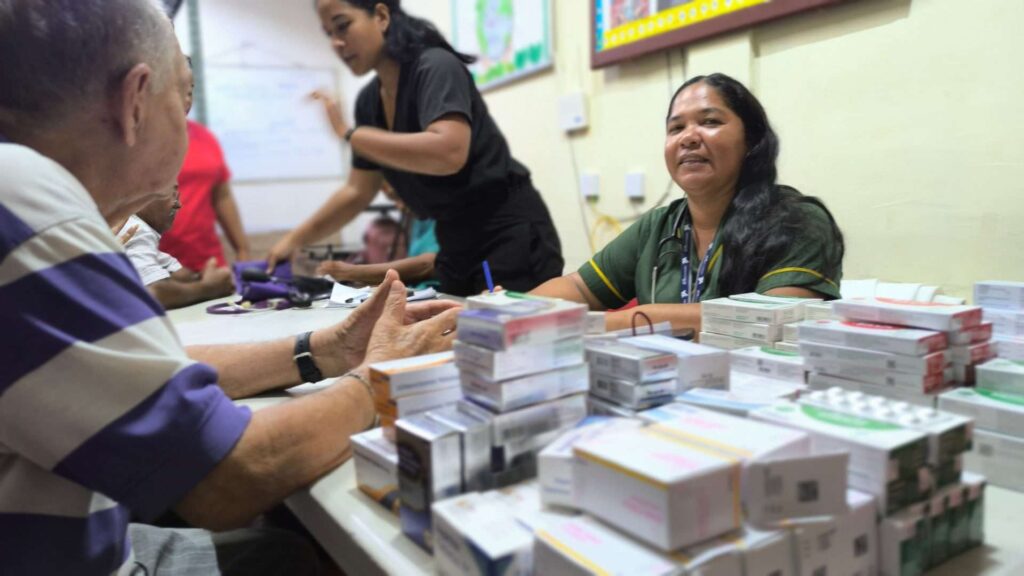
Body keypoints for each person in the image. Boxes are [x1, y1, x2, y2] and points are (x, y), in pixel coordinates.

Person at [0, 1, 460, 574]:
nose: (189, 124)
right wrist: (376, 380)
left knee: (284, 551)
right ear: (135, 102)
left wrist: (326, 349)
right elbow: (230, 478)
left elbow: (148, 366)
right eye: (183, 97)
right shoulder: (24, 197)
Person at [266, 0, 564, 296]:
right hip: (454, 240)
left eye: (343, 26)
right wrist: (293, 241)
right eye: (328, 33)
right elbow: (357, 191)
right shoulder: (369, 102)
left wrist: (348, 133)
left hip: (506, 229)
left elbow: (449, 152)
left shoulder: (435, 65)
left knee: (512, 324)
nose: (337, 42)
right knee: (454, 324)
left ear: (381, 16)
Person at [531, 73, 844, 333]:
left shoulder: (796, 221)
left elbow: (772, 322)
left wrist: (621, 322)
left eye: (710, 121)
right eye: (676, 128)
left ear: (751, 141)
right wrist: (516, 310)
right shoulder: (659, 226)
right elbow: (579, 287)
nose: (688, 137)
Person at [117, 184, 237, 309]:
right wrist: (209, 288)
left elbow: (178, 274)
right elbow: (153, 294)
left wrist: (201, 278)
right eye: (172, 194)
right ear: (141, 197)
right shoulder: (136, 229)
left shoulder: (135, 229)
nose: (178, 205)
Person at [159, 117, 251, 270]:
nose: (186, 103)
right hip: (153, 269)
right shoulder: (135, 137)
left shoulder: (204, 136)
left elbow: (222, 196)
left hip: (209, 264)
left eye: (189, 95)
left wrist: (242, 250)